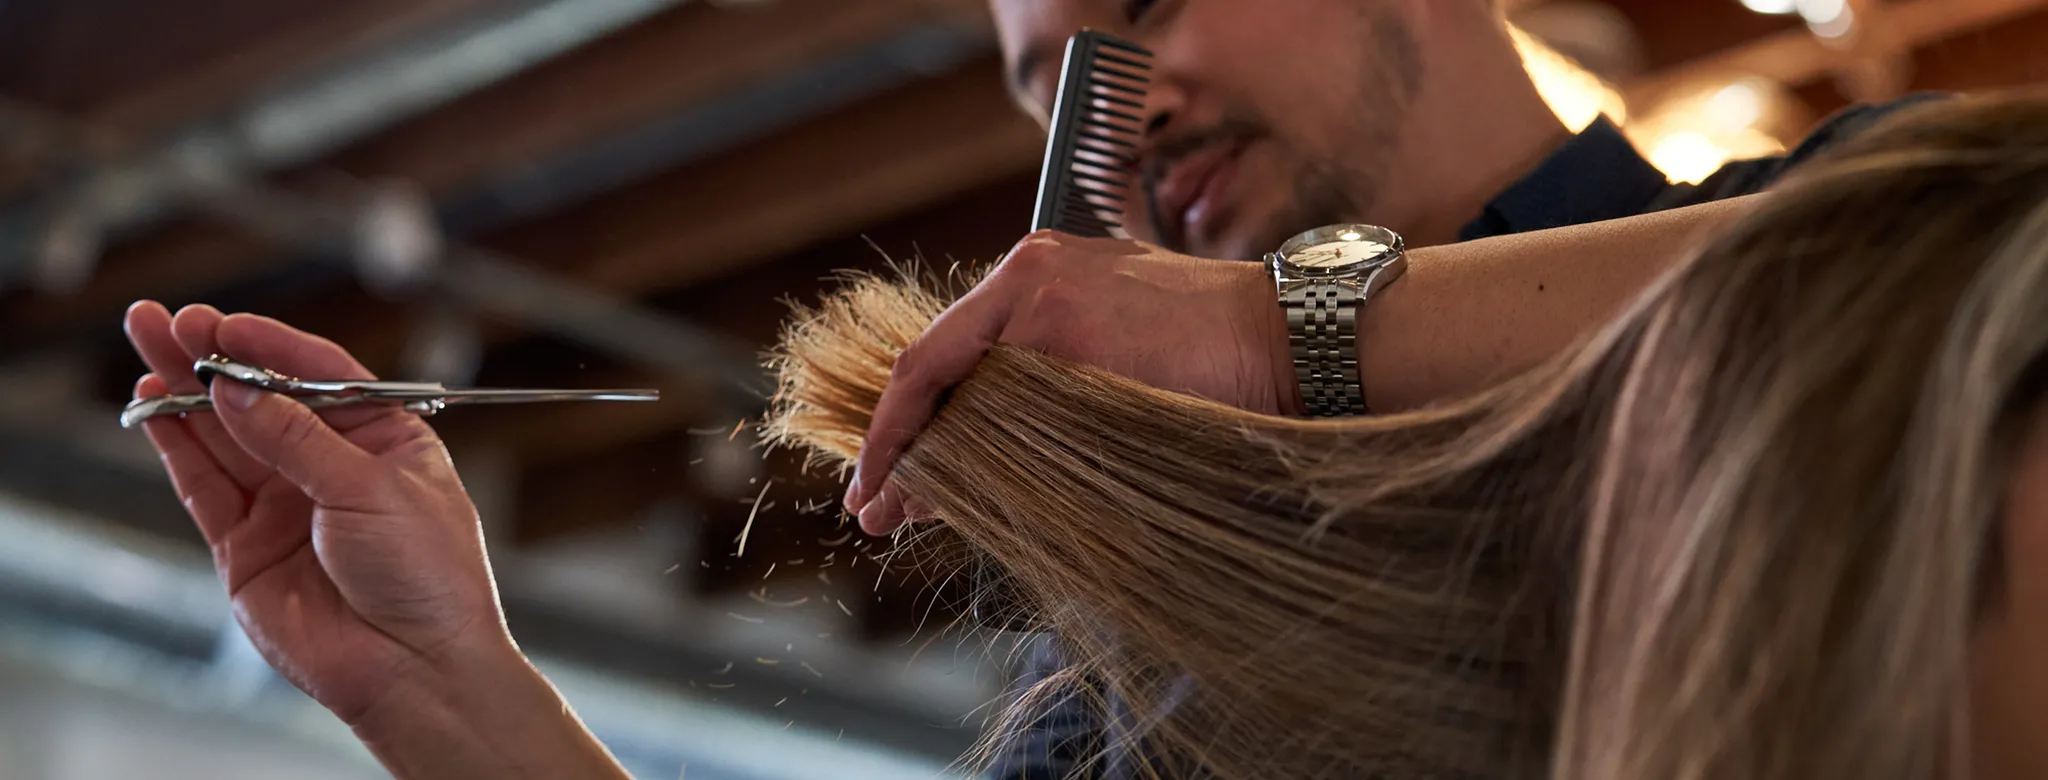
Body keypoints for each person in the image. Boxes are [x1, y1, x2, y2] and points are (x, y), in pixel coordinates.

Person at [125, 92, 2048, 779]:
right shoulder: (1128, 695)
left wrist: (1288, 329)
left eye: (1134, 15)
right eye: (1037, 80)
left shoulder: (1901, 285)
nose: (1101, 111)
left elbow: (1927, 247)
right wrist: (449, 694)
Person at [844, 2, 1932, 776]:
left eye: (1154, 3)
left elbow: (1962, 257)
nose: (1124, 123)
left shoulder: (1870, 227)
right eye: (1057, 97)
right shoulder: (1118, 643)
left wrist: (1274, 328)